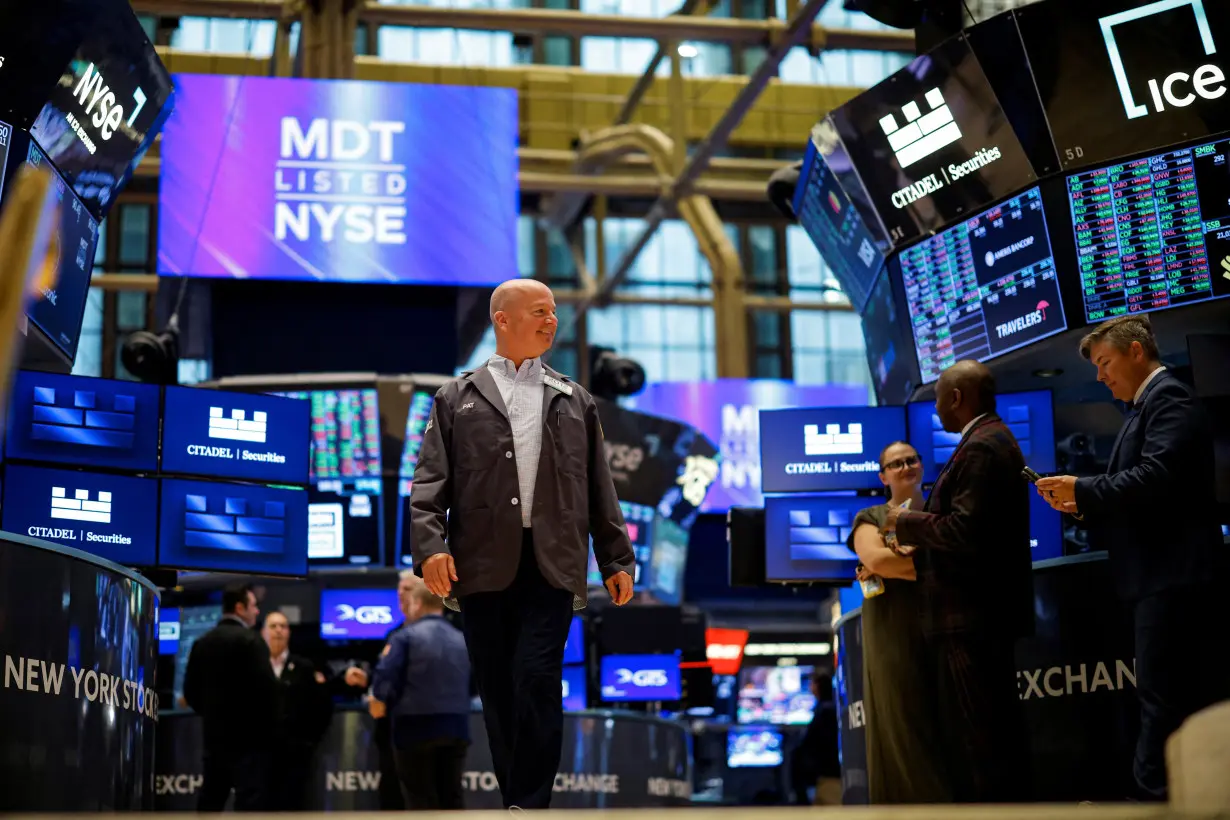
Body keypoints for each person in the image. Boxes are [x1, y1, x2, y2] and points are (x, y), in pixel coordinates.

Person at [411, 278, 636, 810]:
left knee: (537, 678)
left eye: (554, 312)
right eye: (539, 311)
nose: (551, 320)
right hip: (482, 565)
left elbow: (598, 487)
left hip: (553, 562)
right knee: (497, 688)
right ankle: (517, 798)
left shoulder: (575, 400)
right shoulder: (455, 397)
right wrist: (430, 547)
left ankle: (530, 803)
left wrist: (615, 556)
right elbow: (428, 484)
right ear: (502, 319)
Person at [1036, 315, 1230, 802]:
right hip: (1157, 579)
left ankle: (1155, 803)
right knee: (1168, 700)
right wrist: (1078, 505)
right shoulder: (1141, 410)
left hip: (1173, 578)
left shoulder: (1169, 398)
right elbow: (1135, 495)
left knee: (1163, 703)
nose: (1100, 376)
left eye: (1105, 363)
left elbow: (1155, 478)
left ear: (1137, 352)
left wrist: (1082, 490)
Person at [881, 360, 1034, 804]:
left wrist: (906, 521)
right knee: (987, 736)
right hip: (976, 615)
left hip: (972, 616)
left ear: (956, 398)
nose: (936, 411)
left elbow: (963, 531)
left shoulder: (983, 446)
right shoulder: (989, 440)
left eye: (937, 400)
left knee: (983, 741)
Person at [847, 441, 952, 804]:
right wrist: (945, 567)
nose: (905, 467)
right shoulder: (871, 517)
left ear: (922, 466)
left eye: (911, 460)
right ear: (883, 476)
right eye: (896, 464)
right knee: (905, 730)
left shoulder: (944, 511)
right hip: (894, 634)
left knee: (951, 731)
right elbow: (879, 562)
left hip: (947, 628)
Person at [372, 583, 472, 811]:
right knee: (452, 798)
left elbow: (384, 681)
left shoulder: (404, 638)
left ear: (416, 604)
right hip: (457, 727)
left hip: (414, 728)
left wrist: (381, 700)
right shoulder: (462, 639)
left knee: (420, 800)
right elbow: (475, 686)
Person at [183, 584, 280, 812]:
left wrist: (213, 715)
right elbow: (269, 693)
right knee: (249, 806)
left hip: (214, 741)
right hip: (250, 743)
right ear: (239, 608)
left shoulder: (202, 643)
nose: (257, 611)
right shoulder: (252, 642)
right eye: (253, 606)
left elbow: (191, 693)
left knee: (210, 802)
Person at [341, 569, 423, 811]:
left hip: (421, 728)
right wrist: (369, 680)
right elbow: (387, 677)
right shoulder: (393, 635)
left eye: (407, 589)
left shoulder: (437, 631)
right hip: (390, 730)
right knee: (392, 796)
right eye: (399, 591)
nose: (400, 595)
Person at [262, 611, 334, 810]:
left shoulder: (303, 667)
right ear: (263, 633)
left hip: (296, 756)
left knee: (296, 805)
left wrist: (308, 742)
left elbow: (321, 707)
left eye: (283, 626)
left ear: (289, 633)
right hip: (261, 756)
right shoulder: (255, 666)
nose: (278, 631)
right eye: (273, 626)